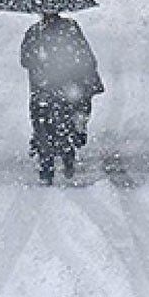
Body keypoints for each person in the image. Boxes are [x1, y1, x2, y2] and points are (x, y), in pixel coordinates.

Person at [20, 11, 103, 184]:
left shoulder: (35, 32)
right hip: (65, 88)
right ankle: (66, 157)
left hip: (44, 88)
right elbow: (85, 56)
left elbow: (25, 60)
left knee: (44, 126)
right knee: (64, 124)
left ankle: (47, 166)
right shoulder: (70, 29)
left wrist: (41, 62)